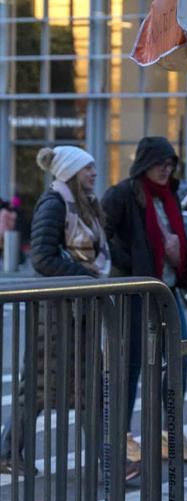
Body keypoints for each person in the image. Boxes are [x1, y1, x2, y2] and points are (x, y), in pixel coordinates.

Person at [0, 146, 115, 474]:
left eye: (93, 167)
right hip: (55, 312)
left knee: (88, 387)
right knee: (38, 387)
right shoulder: (53, 204)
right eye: (87, 168)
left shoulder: (85, 205)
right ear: (69, 172)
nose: (94, 173)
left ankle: (105, 463)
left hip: (77, 308)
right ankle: (8, 452)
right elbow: (42, 258)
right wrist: (86, 276)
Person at [102, 136, 187, 462]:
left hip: (166, 290)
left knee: (179, 357)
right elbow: (102, 237)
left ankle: (168, 432)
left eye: (170, 163)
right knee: (131, 364)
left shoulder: (169, 195)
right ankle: (122, 436)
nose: (166, 169)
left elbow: (177, 238)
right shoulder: (122, 194)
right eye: (160, 163)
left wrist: (177, 254)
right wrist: (133, 263)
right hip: (135, 291)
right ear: (144, 163)